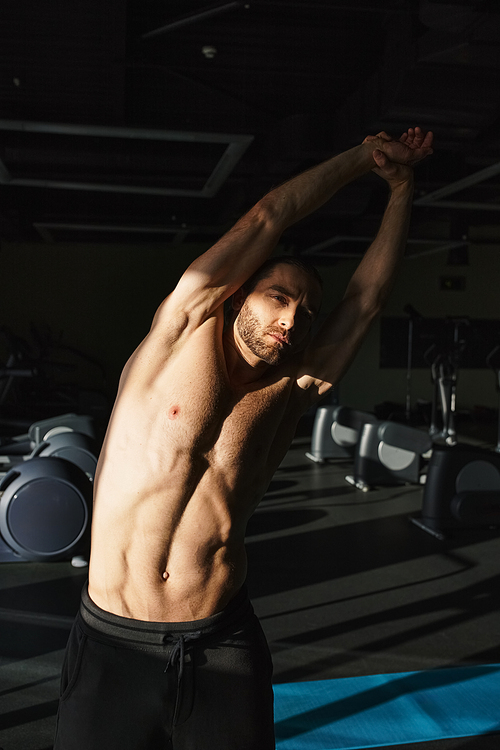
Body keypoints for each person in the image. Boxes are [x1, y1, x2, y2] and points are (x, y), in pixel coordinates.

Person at [54, 127, 433, 749]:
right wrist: (363, 158)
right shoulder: (179, 333)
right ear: (237, 298)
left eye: (305, 313)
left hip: (221, 645)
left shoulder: (295, 384)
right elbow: (270, 214)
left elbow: (365, 301)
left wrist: (400, 189)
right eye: (277, 297)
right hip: (113, 644)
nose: (289, 321)